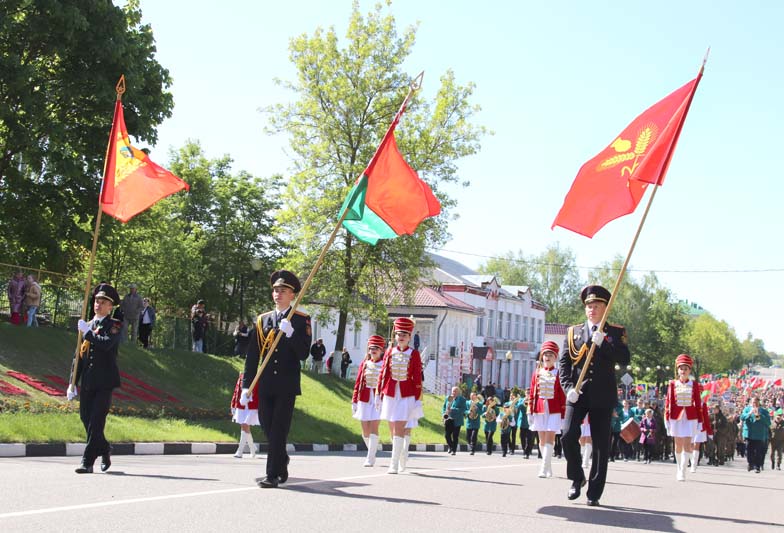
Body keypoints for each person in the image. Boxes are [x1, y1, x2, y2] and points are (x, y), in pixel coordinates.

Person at [560, 284, 631, 506]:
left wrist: (605, 345)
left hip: (602, 394)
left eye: (597, 305)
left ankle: (594, 492)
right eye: (589, 306)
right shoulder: (573, 332)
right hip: (578, 394)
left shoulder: (616, 332)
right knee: (567, 434)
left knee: (601, 445)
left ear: (605, 307)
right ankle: (577, 477)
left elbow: (624, 358)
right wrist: (568, 388)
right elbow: (564, 363)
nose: (592, 309)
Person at [240, 270, 311, 488]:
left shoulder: (300, 320)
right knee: (268, 427)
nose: (278, 294)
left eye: (283, 291)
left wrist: (290, 334)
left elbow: (303, 353)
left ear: (292, 295)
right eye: (276, 291)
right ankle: (282, 459)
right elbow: (253, 355)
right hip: (266, 383)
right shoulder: (263, 320)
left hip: (287, 385)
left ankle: (272, 475)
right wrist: (246, 386)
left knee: (279, 429)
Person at [67, 283, 122, 474]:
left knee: (96, 422)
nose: (98, 304)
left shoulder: (114, 325)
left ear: (110, 307)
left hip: (105, 382)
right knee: (86, 419)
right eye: (97, 300)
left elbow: (107, 345)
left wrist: (89, 333)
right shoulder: (87, 325)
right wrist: (72, 383)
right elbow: (79, 357)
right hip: (88, 381)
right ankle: (105, 448)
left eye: (104, 302)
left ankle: (87, 462)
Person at [377, 316, 423, 474]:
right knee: (392, 429)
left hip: (406, 394)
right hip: (390, 393)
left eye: (405, 334)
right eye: (399, 334)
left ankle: (393, 464)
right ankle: (402, 453)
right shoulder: (389, 351)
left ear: (410, 337)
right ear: (395, 336)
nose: (401, 337)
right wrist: (379, 394)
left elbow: (417, 377)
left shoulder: (414, 354)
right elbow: (383, 374)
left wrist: (417, 399)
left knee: (399, 428)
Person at [664, 354, 704, 481]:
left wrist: (700, 422)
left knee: (687, 443)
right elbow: (668, 403)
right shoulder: (672, 384)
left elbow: (698, 404)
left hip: (690, 418)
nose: (683, 371)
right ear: (678, 370)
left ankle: (683, 470)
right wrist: (667, 419)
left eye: (686, 368)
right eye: (681, 368)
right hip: (676, 417)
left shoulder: (695, 385)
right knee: (678, 444)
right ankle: (678, 468)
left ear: (689, 370)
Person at [528, 340, 566, 477]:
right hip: (539, 409)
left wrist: (563, 413)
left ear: (555, 357)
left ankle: (543, 468)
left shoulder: (559, 373)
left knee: (550, 435)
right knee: (542, 439)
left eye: (551, 354)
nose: (547, 357)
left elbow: (562, 395)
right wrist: (530, 410)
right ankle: (547, 465)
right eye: (545, 354)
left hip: (554, 409)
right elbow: (532, 392)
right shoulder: (537, 372)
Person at [351, 335, 385, 466]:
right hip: (364, 398)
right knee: (365, 430)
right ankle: (373, 448)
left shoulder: (384, 364)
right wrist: (354, 400)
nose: (374, 350)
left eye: (376, 348)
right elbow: (358, 382)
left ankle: (370, 457)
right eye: (371, 348)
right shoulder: (364, 364)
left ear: (381, 350)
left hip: (378, 400)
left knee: (374, 427)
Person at [230, 372, 259, 458]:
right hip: (241, 406)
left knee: (245, 426)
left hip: (252, 406)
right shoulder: (242, 375)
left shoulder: (257, 376)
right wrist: (233, 403)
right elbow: (237, 391)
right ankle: (253, 448)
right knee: (245, 427)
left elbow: (258, 392)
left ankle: (240, 451)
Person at [741, 396, 771, 473]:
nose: (754, 404)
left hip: (759, 435)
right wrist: (749, 413)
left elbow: (768, 422)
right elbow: (742, 417)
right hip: (749, 434)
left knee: (758, 452)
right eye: (753, 402)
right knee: (748, 451)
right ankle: (750, 464)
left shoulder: (764, 411)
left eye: (756, 402)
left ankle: (757, 466)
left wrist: (760, 415)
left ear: (759, 403)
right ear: (751, 402)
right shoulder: (747, 409)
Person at [442, 386, 467, 455]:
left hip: (457, 420)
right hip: (448, 419)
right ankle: (450, 446)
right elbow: (444, 407)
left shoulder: (462, 399)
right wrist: (444, 413)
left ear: (458, 392)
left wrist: (452, 410)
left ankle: (454, 450)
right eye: (453, 391)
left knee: (455, 436)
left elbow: (463, 409)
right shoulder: (448, 398)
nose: (454, 393)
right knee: (447, 435)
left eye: (455, 391)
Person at [691, 398, 714, 472]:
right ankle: (690, 461)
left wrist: (709, 431)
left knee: (696, 445)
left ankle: (694, 465)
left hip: (700, 427)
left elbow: (706, 417)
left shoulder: (703, 404)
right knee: (690, 445)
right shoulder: (688, 402)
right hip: (690, 426)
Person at [515, 392, 533, 459]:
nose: (528, 395)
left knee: (529, 439)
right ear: (525, 394)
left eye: (529, 393)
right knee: (522, 438)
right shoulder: (522, 400)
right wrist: (523, 401)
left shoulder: (532, 401)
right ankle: (524, 450)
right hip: (523, 422)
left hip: (530, 423)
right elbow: (517, 408)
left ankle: (527, 453)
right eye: (527, 393)